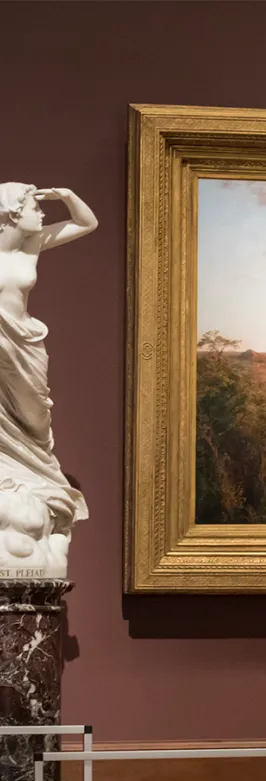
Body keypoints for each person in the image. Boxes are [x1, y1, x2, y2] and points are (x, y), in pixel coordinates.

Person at [0, 183, 97, 573]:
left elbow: (86, 223)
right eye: (32, 205)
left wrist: (68, 196)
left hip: (25, 348)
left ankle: (40, 480)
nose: (40, 213)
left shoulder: (32, 246)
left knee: (36, 423)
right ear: (10, 212)